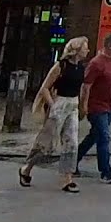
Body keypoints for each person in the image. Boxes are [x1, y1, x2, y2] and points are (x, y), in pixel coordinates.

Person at [18, 37, 89, 193]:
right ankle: (27, 168)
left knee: (71, 141)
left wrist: (83, 105)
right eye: (85, 47)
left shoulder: (81, 68)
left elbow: (83, 88)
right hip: (60, 103)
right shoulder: (61, 66)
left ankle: (67, 178)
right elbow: (45, 87)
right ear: (76, 49)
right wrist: (52, 104)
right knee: (46, 143)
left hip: (73, 105)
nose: (87, 50)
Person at [75, 33, 111, 184]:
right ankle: (106, 172)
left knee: (94, 135)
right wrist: (84, 106)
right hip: (97, 106)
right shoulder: (96, 63)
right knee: (104, 136)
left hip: (109, 104)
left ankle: (73, 161)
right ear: (109, 45)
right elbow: (86, 86)